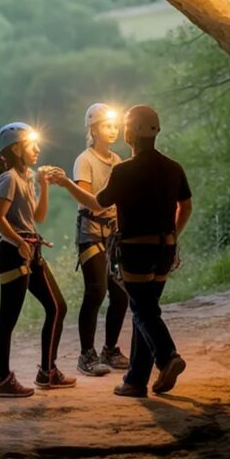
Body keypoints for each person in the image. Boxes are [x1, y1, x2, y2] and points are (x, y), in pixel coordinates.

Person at [47, 105, 193, 397]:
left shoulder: (123, 169)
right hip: (165, 249)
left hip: (135, 249)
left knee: (141, 309)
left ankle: (167, 356)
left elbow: (99, 204)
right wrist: (173, 235)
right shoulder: (174, 167)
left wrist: (64, 184)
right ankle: (136, 380)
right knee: (147, 308)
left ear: (130, 132)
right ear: (157, 130)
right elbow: (185, 206)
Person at [0, 122, 75, 398]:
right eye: (31, 145)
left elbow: (38, 217)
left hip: (29, 250)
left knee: (57, 306)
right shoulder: (9, 178)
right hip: (15, 253)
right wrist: (20, 242)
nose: (37, 149)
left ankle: (47, 372)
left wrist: (43, 186)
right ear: (16, 149)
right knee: (7, 320)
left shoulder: (25, 176)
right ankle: (3, 379)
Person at [72, 103, 130, 376]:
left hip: (113, 233)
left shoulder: (117, 161)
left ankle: (109, 349)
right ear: (93, 129)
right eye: (107, 126)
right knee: (96, 291)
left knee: (120, 294)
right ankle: (86, 354)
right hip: (91, 232)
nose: (113, 130)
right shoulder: (85, 160)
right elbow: (85, 197)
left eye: (115, 125)